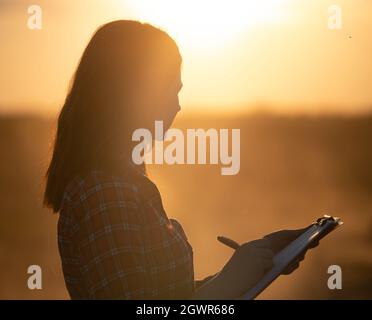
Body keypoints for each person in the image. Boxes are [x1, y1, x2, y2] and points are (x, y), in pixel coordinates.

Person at [44, 20, 314, 300]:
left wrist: (255, 262)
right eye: (171, 89)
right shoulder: (105, 193)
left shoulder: (117, 184)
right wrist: (229, 283)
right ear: (132, 92)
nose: (178, 104)